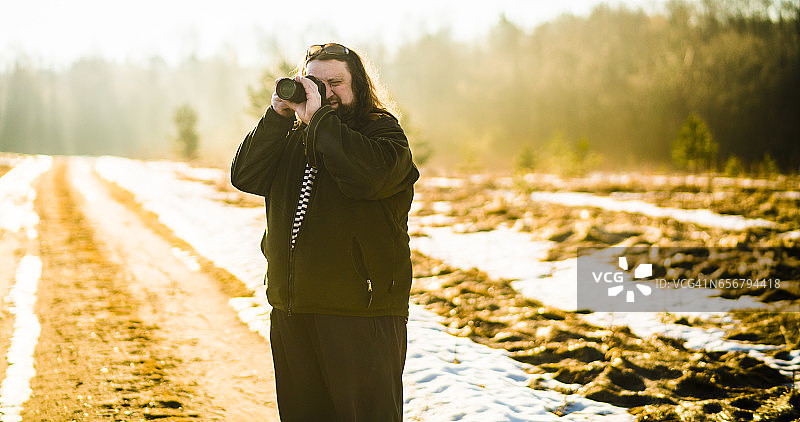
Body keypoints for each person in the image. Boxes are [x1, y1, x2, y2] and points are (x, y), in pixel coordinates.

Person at [230, 43, 419, 421]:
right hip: (292, 309)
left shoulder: (384, 135)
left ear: (359, 86)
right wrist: (277, 116)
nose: (325, 92)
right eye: (315, 82)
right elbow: (245, 175)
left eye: (336, 82)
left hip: (360, 314)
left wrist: (319, 121)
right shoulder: (292, 135)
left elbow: (366, 178)